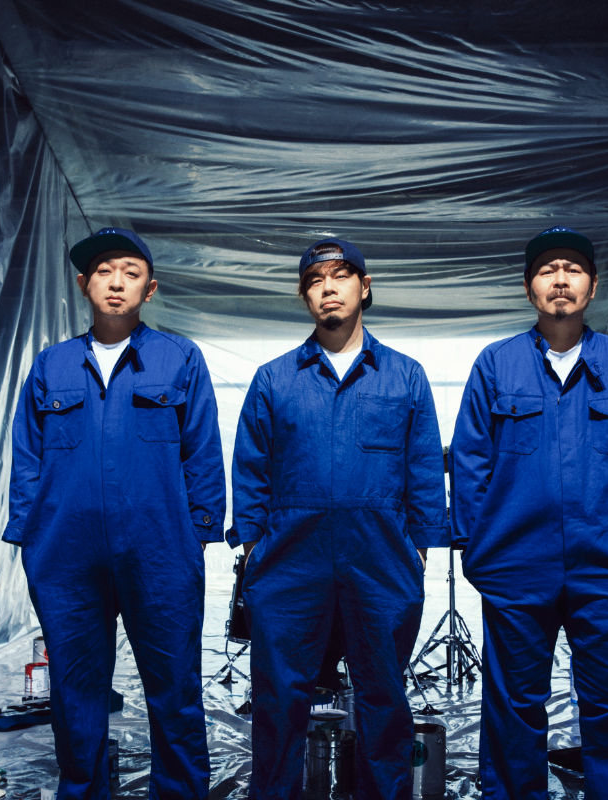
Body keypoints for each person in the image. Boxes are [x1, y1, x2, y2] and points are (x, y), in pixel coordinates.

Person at [451, 226, 608, 799]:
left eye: (573, 269)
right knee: (513, 704)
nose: (560, 280)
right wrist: (477, 545)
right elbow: (471, 458)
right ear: (529, 287)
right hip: (516, 564)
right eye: (547, 270)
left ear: (592, 286)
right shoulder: (496, 365)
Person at [5, 228, 225, 800]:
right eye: (104, 271)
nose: (116, 282)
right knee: (75, 688)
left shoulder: (180, 358)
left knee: (174, 685)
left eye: (130, 272)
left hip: (160, 548)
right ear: (84, 284)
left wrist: (197, 532)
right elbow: (27, 456)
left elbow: (202, 450)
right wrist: (30, 536)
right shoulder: (51, 364)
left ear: (149, 289)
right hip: (66, 553)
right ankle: (83, 791)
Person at [229, 238, 447, 799]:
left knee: (383, 696)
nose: (328, 287)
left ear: (364, 287)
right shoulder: (274, 378)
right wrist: (254, 549)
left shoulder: (405, 376)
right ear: (304, 296)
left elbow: (424, 467)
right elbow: (250, 468)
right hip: (288, 563)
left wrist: (419, 550)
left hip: (381, 560)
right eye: (314, 280)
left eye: (341, 275)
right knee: (280, 697)